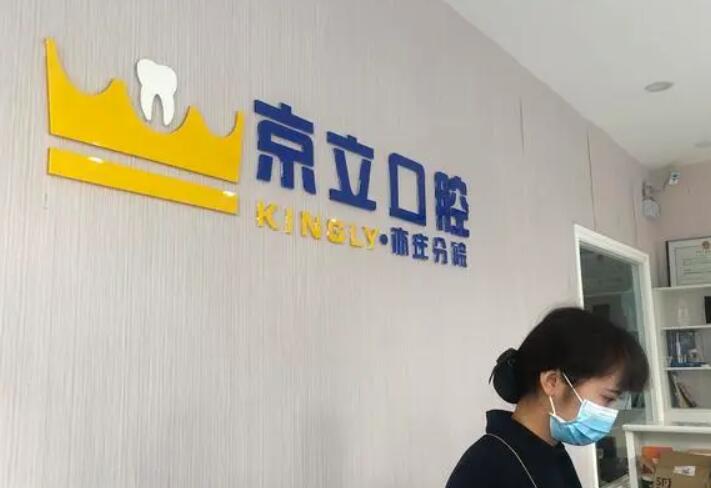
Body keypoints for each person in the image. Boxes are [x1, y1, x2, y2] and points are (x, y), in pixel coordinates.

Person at [445, 307, 649, 488]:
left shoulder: (551, 452)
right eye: (607, 397)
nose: (610, 411)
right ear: (552, 382)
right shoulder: (485, 469)